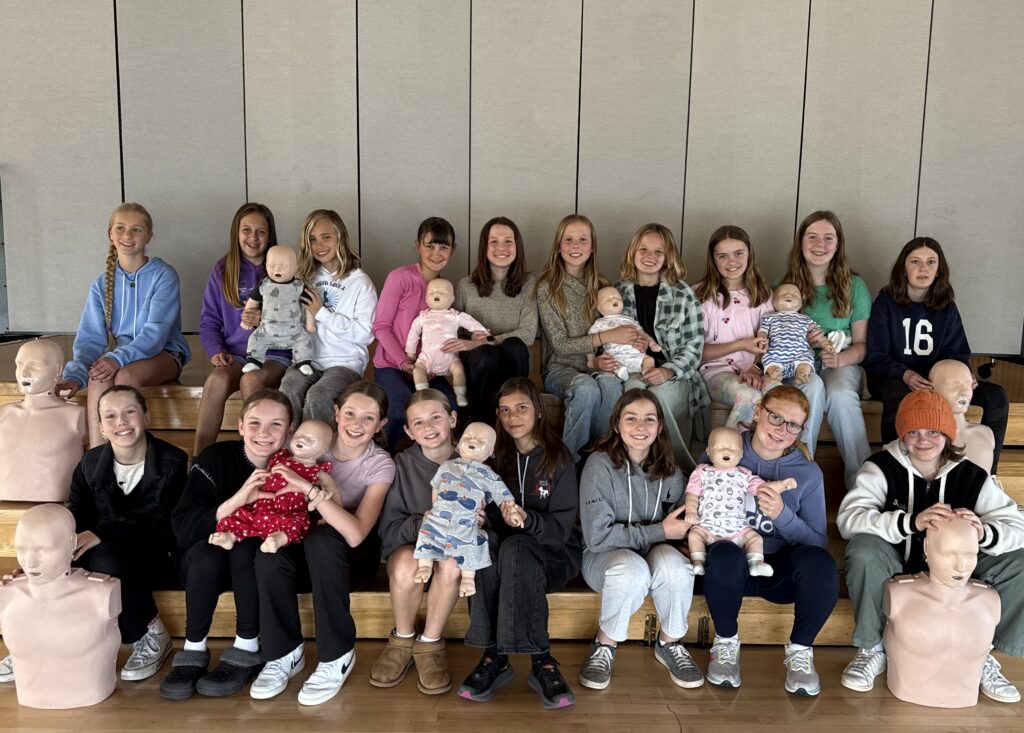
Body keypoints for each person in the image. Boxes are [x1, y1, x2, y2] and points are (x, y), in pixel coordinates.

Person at [837, 389, 1024, 703]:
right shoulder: (881, 466)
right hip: (898, 563)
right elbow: (848, 520)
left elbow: (1017, 526)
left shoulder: (972, 475)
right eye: (913, 431)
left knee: (1020, 561)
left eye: (933, 431)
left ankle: (983, 653)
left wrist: (984, 533)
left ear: (948, 434)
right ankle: (871, 647)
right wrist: (910, 522)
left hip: (957, 569)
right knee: (864, 550)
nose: (923, 440)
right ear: (902, 433)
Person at [250, 381, 395, 706]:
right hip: (304, 544)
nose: (357, 424)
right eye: (350, 413)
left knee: (324, 538)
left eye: (368, 418)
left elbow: (356, 533)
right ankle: (283, 653)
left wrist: (309, 489)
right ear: (336, 413)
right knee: (269, 556)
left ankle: (336, 655)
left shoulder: (380, 463)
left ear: (381, 424)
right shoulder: (314, 444)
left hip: (350, 557)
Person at [160, 389, 309, 700]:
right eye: (255, 423)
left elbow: (302, 525)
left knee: (246, 549)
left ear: (290, 429)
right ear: (240, 426)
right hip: (207, 569)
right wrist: (238, 499)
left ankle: (247, 645)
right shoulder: (217, 457)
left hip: (255, 570)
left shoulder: (298, 467)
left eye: (276, 425)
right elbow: (183, 527)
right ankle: (193, 649)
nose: (264, 434)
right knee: (205, 552)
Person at [700, 385, 837, 696]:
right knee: (723, 553)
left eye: (792, 425)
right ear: (758, 411)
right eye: (775, 417)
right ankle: (725, 643)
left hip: (777, 570)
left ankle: (800, 651)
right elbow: (697, 503)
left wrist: (782, 516)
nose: (781, 430)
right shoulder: (726, 447)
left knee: (822, 565)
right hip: (728, 567)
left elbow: (818, 542)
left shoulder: (807, 473)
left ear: (801, 430)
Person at [458, 378, 581, 709]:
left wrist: (528, 520)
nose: (513, 417)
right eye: (505, 410)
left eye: (522, 408)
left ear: (538, 411)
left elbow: (560, 530)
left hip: (554, 554)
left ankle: (541, 659)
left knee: (517, 549)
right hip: (507, 555)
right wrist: (483, 518)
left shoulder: (559, 458)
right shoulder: (494, 457)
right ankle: (494, 657)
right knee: (483, 542)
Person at [578, 388, 699, 692]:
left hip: (651, 550)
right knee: (631, 571)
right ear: (617, 424)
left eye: (649, 419)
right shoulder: (599, 464)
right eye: (631, 418)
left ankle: (670, 643)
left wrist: (685, 535)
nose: (640, 427)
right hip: (604, 557)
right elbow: (597, 537)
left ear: (660, 426)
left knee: (676, 566)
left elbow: (678, 526)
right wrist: (660, 531)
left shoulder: (670, 469)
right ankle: (605, 645)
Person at [67, 385, 187, 682]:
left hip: (157, 556)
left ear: (146, 417)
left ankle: (151, 633)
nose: (120, 422)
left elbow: (160, 520)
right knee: (62, 554)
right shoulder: (90, 463)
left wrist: (99, 532)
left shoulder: (172, 461)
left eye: (129, 412)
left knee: (105, 555)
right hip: (103, 555)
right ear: (101, 428)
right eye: (110, 416)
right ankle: (46, 641)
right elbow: (76, 512)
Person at [864, 236, 1010, 472]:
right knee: (899, 397)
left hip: (938, 382)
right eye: (915, 261)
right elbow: (875, 356)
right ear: (903, 267)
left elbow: (958, 351)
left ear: (939, 269)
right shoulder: (886, 303)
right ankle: (894, 471)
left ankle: (988, 474)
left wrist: (965, 376)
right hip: (895, 378)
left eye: (931, 262)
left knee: (996, 396)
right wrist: (905, 374)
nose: (923, 268)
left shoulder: (946, 306)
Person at [57, 203, 190, 447]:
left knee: (126, 375)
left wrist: (116, 359)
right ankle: (99, 462)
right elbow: (89, 340)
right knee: (98, 377)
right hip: (119, 357)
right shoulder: (100, 284)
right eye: (120, 228)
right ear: (110, 234)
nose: (127, 235)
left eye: (136, 229)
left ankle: (133, 455)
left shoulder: (164, 275)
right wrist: (75, 375)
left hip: (164, 355)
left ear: (149, 235)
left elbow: (155, 335)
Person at [373, 389, 461, 696]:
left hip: (456, 551)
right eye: (419, 422)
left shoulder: (473, 460)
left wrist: (477, 521)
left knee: (451, 565)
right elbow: (389, 531)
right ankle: (402, 638)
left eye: (436, 417)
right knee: (408, 563)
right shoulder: (400, 466)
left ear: (452, 419)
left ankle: (430, 643)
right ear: (409, 431)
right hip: (411, 547)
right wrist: (422, 523)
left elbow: (491, 521)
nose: (429, 427)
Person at [779, 211, 870, 489]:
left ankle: (864, 483)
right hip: (798, 367)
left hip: (841, 364)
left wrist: (840, 358)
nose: (820, 244)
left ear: (838, 244)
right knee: (813, 388)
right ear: (801, 243)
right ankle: (799, 476)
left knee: (841, 394)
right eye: (812, 237)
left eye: (828, 238)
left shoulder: (854, 286)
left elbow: (862, 345)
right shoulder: (783, 288)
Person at [610, 223, 709, 470]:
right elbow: (608, 334)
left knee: (657, 397)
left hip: (675, 374)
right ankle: (631, 465)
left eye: (658, 252)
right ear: (632, 253)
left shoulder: (682, 293)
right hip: (634, 369)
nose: (649, 257)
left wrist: (668, 371)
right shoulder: (618, 292)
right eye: (643, 249)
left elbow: (694, 347)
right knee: (632, 393)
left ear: (668, 258)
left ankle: (678, 468)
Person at [194, 203, 288, 456]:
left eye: (261, 231)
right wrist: (216, 350)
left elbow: (297, 319)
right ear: (236, 233)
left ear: (270, 236)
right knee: (216, 380)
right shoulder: (223, 269)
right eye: (246, 230)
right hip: (236, 354)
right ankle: (199, 461)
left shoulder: (284, 268)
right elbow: (209, 320)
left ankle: (257, 460)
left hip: (275, 354)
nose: (253, 238)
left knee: (252, 379)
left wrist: (266, 319)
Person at [536, 214, 630, 464]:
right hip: (560, 369)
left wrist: (599, 361)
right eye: (568, 240)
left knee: (611, 385)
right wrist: (605, 336)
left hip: (594, 368)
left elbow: (613, 334)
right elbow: (560, 345)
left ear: (592, 247)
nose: (575, 246)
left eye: (582, 240)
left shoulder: (602, 286)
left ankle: (599, 461)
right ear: (558, 246)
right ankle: (569, 465)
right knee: (586, 389)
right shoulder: (548, 288)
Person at [278, 209, 376, 430]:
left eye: (326, 237)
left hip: (344, 362)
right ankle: (286, 451)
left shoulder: (360, 281)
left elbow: (365, 333)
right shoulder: (304, 278)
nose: (319, 245)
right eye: (312, 240)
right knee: (289, 387)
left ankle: (316, 456)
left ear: (340, 237)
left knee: (319, 395)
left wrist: (321, 312)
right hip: (309, 360)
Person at [373, 217, 460, 450]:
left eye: (444, 246)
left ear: (453, 250)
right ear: (417, 245)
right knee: (401, 407)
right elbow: (381, 326)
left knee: (450, 408)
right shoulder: (400, 278)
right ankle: (382, 462)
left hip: (429, 371)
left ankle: (435, 470)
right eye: (430, 245)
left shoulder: (447, 289)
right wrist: (404, 363)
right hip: (392, 365)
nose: (436, 253)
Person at [453, 217, 538, 425]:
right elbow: (456, 332)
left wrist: (486, 340)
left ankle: (518, 423)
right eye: (494, 241)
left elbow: (527, 332)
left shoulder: (529, 283)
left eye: (508, 241)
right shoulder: (465, 285)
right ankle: (479, 425)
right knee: (486, 354)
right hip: (480, 364)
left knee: (515, 346)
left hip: (513, 360)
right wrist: (478, 344)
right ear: (484, 247)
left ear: (517, 246)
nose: (502, 247)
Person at [695, 225, 774, 428]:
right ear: (713, 260)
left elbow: (772, 342)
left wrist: (756, 368)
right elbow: (694, 352)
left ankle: (774, 457)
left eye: (739, 253)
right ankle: (727, 454)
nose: (732, 262)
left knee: (780, 396)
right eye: (723, 256)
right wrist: (740, 345)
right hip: (716, 372)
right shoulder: (701, 296)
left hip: (756, 370)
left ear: (749, 254)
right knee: (748, 396)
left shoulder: (764, 295)